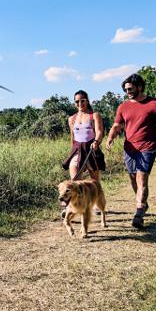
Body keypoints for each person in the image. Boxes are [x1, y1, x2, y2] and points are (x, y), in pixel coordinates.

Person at [105, 73, 156, 229]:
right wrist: (110, 138)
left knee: (142, 177)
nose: (127, 91)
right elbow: (116, 125)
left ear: (140, 87)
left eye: (130, 88)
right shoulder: (123, 106)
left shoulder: (154, 104)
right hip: (129, 148)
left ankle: (139, 212)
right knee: (133, 178)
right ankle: (142, 203)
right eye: (125, 89)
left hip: (148, 147)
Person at [60, 90, 106, 218]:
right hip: (77, 150)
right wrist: (71, 152)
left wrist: (97, 141)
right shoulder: (72, 118)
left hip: (91, 148)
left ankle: (96, 204)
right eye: (77, 101)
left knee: (94, 181)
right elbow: (72, 137)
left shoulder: (94, 115)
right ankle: (71, 207)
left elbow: (99, 131)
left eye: (82, 100)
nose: (80, 103)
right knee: (74, 183)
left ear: (87, 100)